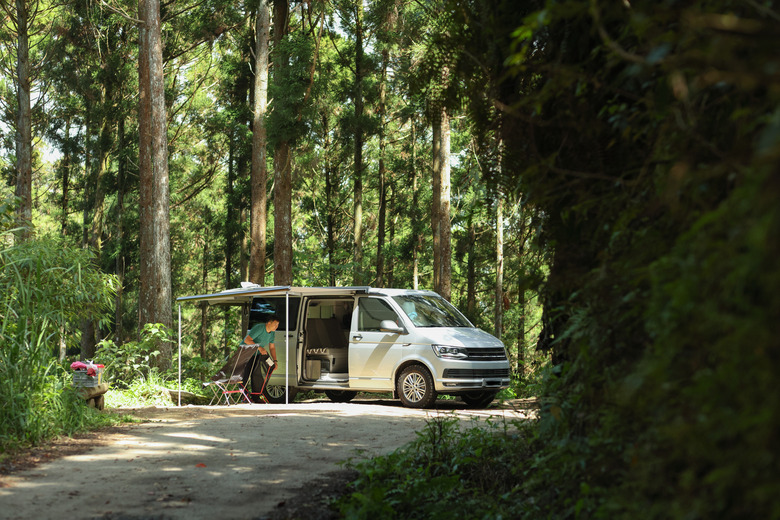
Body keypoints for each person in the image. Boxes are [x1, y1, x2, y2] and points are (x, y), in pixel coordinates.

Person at [242, 315, 280, 401]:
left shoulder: (272, 333)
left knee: (257, 375)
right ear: (269, 323)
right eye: (275, 324)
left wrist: (275, 361)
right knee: (246, 375)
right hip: (246, 353)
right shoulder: (260, 328)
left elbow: (272, 348)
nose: (276, 327)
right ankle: (244, 397)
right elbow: (246, 340)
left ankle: (255, 397)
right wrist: (259, 347)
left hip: (257, 354)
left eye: (277, 325)